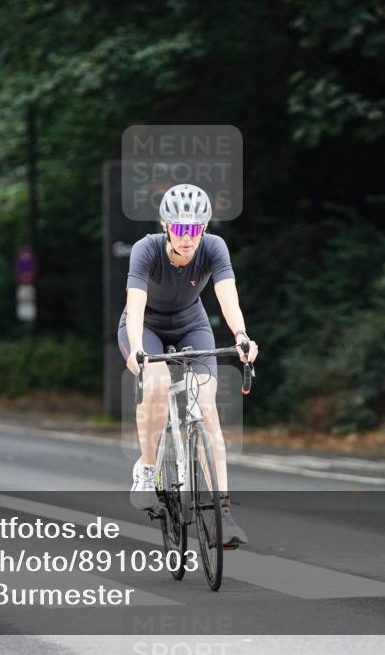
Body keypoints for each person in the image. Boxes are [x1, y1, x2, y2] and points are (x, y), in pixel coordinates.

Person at [119, 184, 259, 547]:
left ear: (205, 227)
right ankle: (148, 469)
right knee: (156, 383)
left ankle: (223, 516)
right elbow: (134, 306)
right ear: (166, 225)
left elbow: (228, 298)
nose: (187, 237)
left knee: (206, 406)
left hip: (191, 323)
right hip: (146, 326)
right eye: (180, 229)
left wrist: (242, 335)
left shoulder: (214, 248)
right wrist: (137, 349)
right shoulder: (146, 249)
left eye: (195, 229)